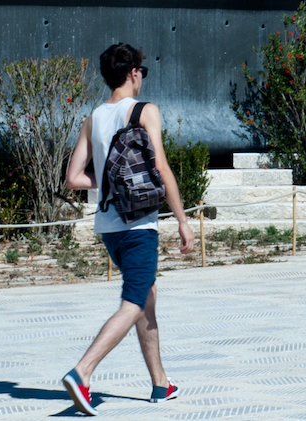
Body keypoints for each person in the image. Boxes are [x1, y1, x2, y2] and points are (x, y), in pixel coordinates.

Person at [60, 43, 195, 412]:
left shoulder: (94, 117)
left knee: (146, 299)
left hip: (108, 227)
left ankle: (160, 384)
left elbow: (73, 178)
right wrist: (183, 221)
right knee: (134, 301)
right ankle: (83, 372)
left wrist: (108, 183)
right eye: (142, 72)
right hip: (139, 226)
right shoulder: (145, 110)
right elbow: (162, 169)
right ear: (134, 72)